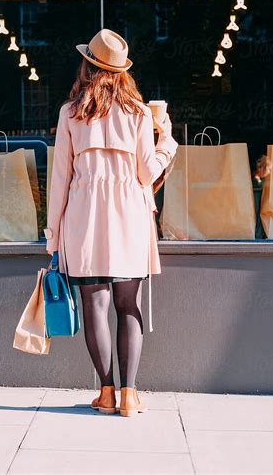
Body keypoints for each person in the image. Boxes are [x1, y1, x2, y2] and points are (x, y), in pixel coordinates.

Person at [44, 28, 178, 417]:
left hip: (83, 216)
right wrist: (166, 142)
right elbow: (145, 173)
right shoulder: (139, 113)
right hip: (129, 217)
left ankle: (105, 391)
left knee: (95, 305)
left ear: (87, 67)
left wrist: (52, 237)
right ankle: (129, 394)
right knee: (128, 304)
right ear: (121, 74)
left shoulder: (70, 113)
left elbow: (60, 180)